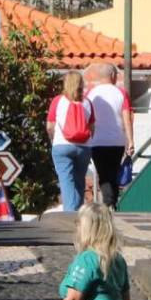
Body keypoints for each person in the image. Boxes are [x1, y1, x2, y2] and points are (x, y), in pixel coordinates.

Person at [83, 63, 136, 207]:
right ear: (112, 75)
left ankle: (109, 203)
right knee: (113, 173)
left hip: (96, 141)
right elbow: (127, 118)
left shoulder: (90, 94)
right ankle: (111, 203)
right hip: (116, 141)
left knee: (103, 174)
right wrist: (130, 140)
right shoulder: (121, 93)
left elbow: (86, 117)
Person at [47, 72, 95, 212]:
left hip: (62, 146)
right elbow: (92, 128)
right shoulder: (87, 102)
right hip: (83, 147)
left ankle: (70, 214)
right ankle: (78, 214)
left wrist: (53, 139)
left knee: (66, 180)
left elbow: (50, 126)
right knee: (80, 182)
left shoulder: (58, 101)